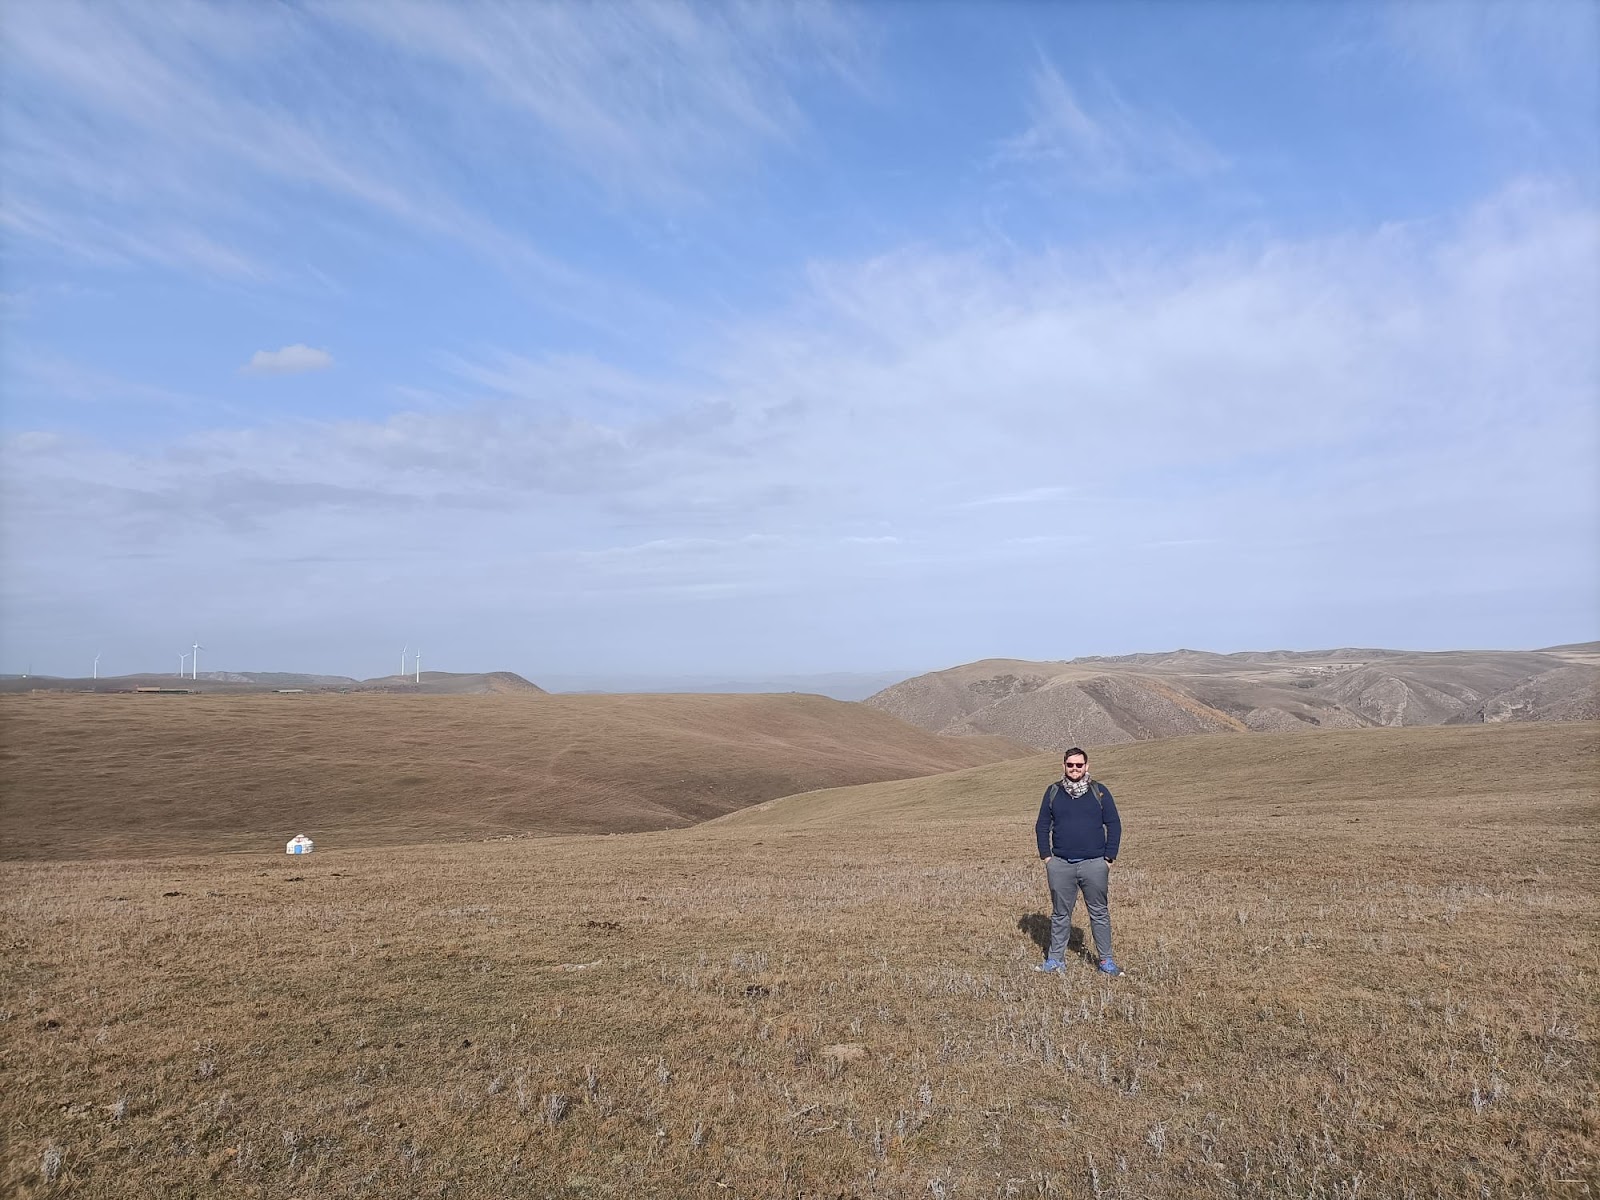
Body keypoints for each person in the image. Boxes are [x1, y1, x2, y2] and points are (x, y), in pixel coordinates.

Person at [1033, 747, 1123, 975]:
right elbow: (1042, 825)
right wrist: (1047, 857)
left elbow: (1113, 824)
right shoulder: (1053, 792)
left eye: (1079, 765)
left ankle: (1105, 962)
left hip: (1094, 864)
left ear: (1087, 766)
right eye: (1070, 765)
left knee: (1099, 913)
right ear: (1063, 766)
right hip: (1060, 864)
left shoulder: (1099, 791)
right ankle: (1055, 960)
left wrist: (1109, 858)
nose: (1075, 769)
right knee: (1060, 914)